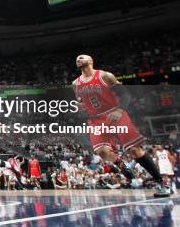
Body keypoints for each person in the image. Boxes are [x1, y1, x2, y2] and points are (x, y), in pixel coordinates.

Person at [73, 54, 170, 197]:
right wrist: (80, 106)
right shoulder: (75, 84)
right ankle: (121, 164)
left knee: (135, 150)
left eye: (82, 57)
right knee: (102, 152)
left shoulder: (105, 76)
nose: (78, 59)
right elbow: (81, 101)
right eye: (77, 59)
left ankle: (161, 183)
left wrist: (119, 110)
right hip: (95, 119)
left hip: (115, 113)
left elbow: (125, 95)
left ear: (91, 61)